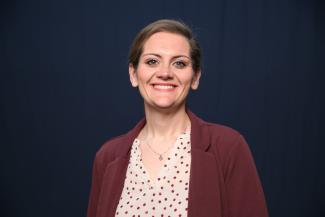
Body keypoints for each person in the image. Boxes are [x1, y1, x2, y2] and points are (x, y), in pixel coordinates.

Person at [87, 19, 268, 217]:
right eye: (152, 61)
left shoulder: (227, 147)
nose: (165, 73)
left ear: (195, 77)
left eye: (179, 63)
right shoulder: (107, 157)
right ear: (133, 74)